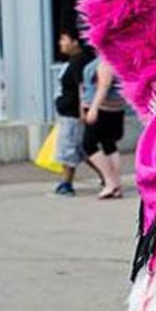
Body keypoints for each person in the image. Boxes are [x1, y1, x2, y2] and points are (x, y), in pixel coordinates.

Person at [52, 25, 93, 196]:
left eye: (64, 39)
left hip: (72, 115)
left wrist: (83, 110)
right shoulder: (73, 61)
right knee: (82, 150)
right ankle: (108, 177)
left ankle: (66, 184)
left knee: (69, 148)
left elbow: (81, 87)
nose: (60, 43)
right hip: (68, 113)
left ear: (75, 42)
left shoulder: (78, 62)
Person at [82, 53, 126, 199]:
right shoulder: (117, 58)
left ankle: (110, 182)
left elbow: (103, 85)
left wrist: (93, 108)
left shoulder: (105, 61)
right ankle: (116, 184)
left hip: (103, 109)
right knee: (109, 144)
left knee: (89, 144)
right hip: (114, 109)